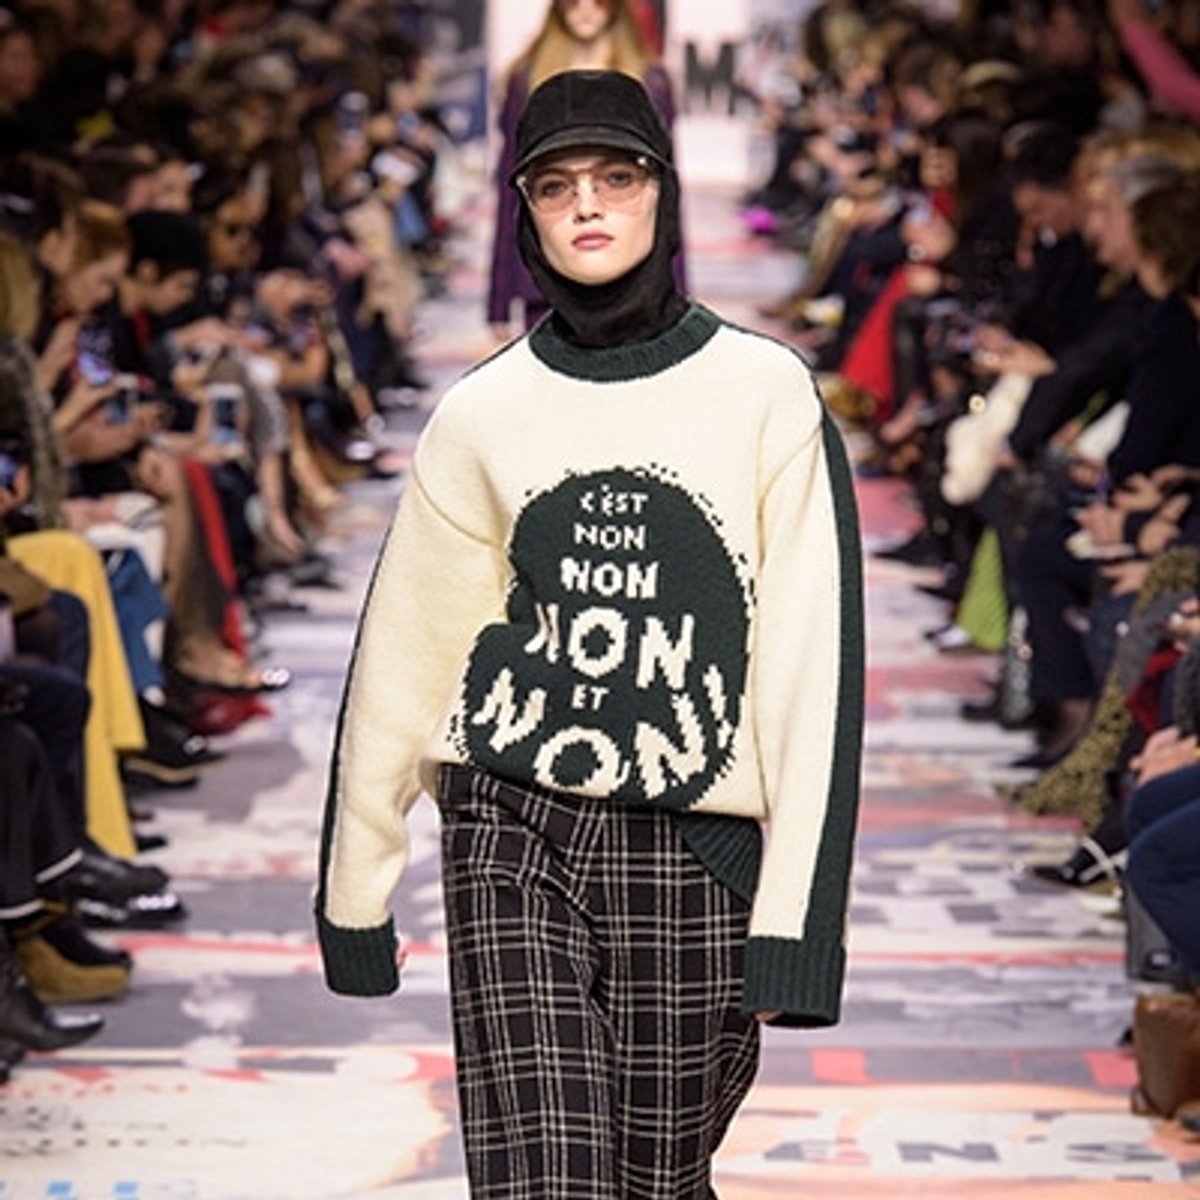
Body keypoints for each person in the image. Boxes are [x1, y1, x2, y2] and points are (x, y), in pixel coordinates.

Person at [316, 70, 864, 1197]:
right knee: (547, 1178)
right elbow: (408, 650)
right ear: (523, 209)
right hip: (513, 825)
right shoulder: (483, 412)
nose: (589, 207)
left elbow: (814, 665)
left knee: (659, 1181)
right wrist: (355, 889)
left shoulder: (764, 393)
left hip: (695, 848)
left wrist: (797, 921)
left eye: (618, 177)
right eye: (557, 185)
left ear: (663, 190)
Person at [486, 0, 680, 338]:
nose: (586, 9)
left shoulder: (652, 82)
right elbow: (510, 195)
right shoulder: (525, 79)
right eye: (574, 0)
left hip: (635, 285)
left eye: (599, 0)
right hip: (543, 285)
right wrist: (499, 301)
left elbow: (667, 194)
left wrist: (676, 290)